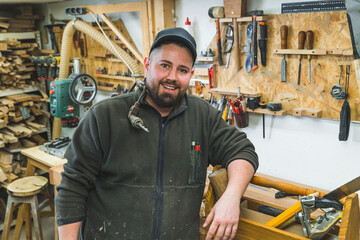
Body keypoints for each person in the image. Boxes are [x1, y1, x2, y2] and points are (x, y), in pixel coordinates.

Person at [55, 27, 258, 240]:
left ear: (190, 74)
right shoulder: (104, 116)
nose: (172, 77)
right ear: (147, 65)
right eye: (164, 65)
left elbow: (243, 151)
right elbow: (72, 187)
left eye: (182, 70)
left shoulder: (203, 116)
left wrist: (232, 197)